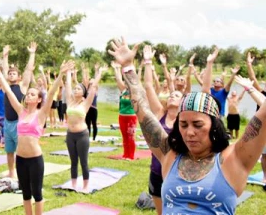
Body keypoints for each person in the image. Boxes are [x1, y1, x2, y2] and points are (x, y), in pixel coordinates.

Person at [109, 37, 266, 215]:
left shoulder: (234, 158)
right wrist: (128, 68)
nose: (189, 132)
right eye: (183, 124)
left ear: (214, 126)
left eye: (198, 125)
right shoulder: (169, 154)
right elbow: (143, 110)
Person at [0, 57, 62, 215]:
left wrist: (60, 76)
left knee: (37, 194)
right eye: (28, 94)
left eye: (32, 94)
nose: (29, 96)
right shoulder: (20, 111)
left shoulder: (41, 114)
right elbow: (9, 92)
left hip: (35, 159)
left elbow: (51, 93)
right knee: (25, 193)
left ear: (38, 100)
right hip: (21, 159)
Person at [141, 45, 183, 215]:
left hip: (178, 174)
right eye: (171, 95)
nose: (173, 95)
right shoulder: (159, 112)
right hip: (156, 171)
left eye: (177, 95)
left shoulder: (186, 120)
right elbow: (149, 86)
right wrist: (148, 61)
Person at [63, 61, 105, 192]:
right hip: (70, 135)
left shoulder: (86, 103)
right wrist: (68, 72)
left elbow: (93, 88)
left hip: (82, 135)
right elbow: (68, 85)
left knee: (83, 161)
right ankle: (74, 184)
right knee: (73, 161)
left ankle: (86, 186)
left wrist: (99, 73)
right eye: (75, 88)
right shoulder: (70, 101)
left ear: (83, 92)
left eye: (79, 88)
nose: (76, 90)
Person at [1, 43, 36, 178]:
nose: (10, 75)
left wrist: (32, 54)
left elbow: (28, 71)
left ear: (19, 76)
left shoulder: (22, 86)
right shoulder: (6, 88)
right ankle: (11, 173)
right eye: (9, 73)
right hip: (7, 123)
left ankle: (23, 172)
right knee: (9, 151)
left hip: (18, 123)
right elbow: (4, 71)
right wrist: (5, 56)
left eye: (13, 73)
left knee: (21, 151)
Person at [245, 52, 266, 183]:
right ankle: (265, 176)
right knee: (264, 154)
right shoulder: (262, 94)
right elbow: (252, 78)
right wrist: (249, 64)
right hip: (263, 127)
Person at [202, 48, 238, 120]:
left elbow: (229, 84)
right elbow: (205, 84)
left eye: (218, 81)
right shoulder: (210, 90)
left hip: (219, 115)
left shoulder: (223, 92)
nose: (216, 82)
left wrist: (233, 74)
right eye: (215, 81)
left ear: (222, 84)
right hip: (209, 114)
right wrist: (209, 63)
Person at [111, 61, 137, 160]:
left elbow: (134, 77)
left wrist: (130, 67)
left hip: (131, 117)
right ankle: (125, 154)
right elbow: (118, 79)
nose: (126, 83)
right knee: (124, 136)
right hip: (122, 116)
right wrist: (116, 68)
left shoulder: (134, 91)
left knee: (131, 136)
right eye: (125, 82)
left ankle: (131, 156)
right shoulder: (123, 91)